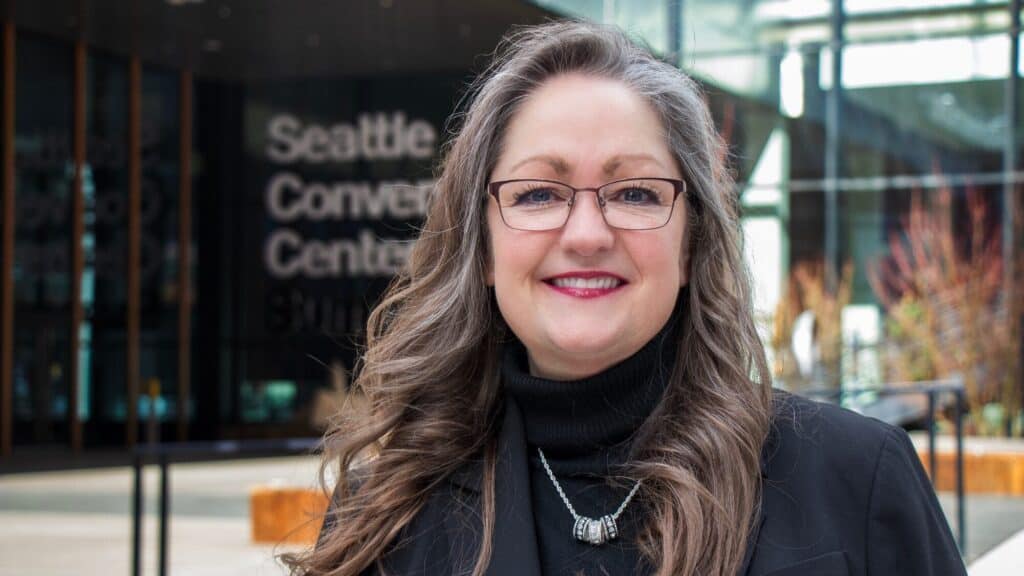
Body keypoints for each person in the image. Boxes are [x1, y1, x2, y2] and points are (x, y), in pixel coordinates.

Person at [287, 20, 967, 576]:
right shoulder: (386, 515)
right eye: (539, 193)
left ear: (692, 244)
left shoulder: (856, 481)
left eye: (636, 192)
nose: (586, 234)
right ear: (484, 249)